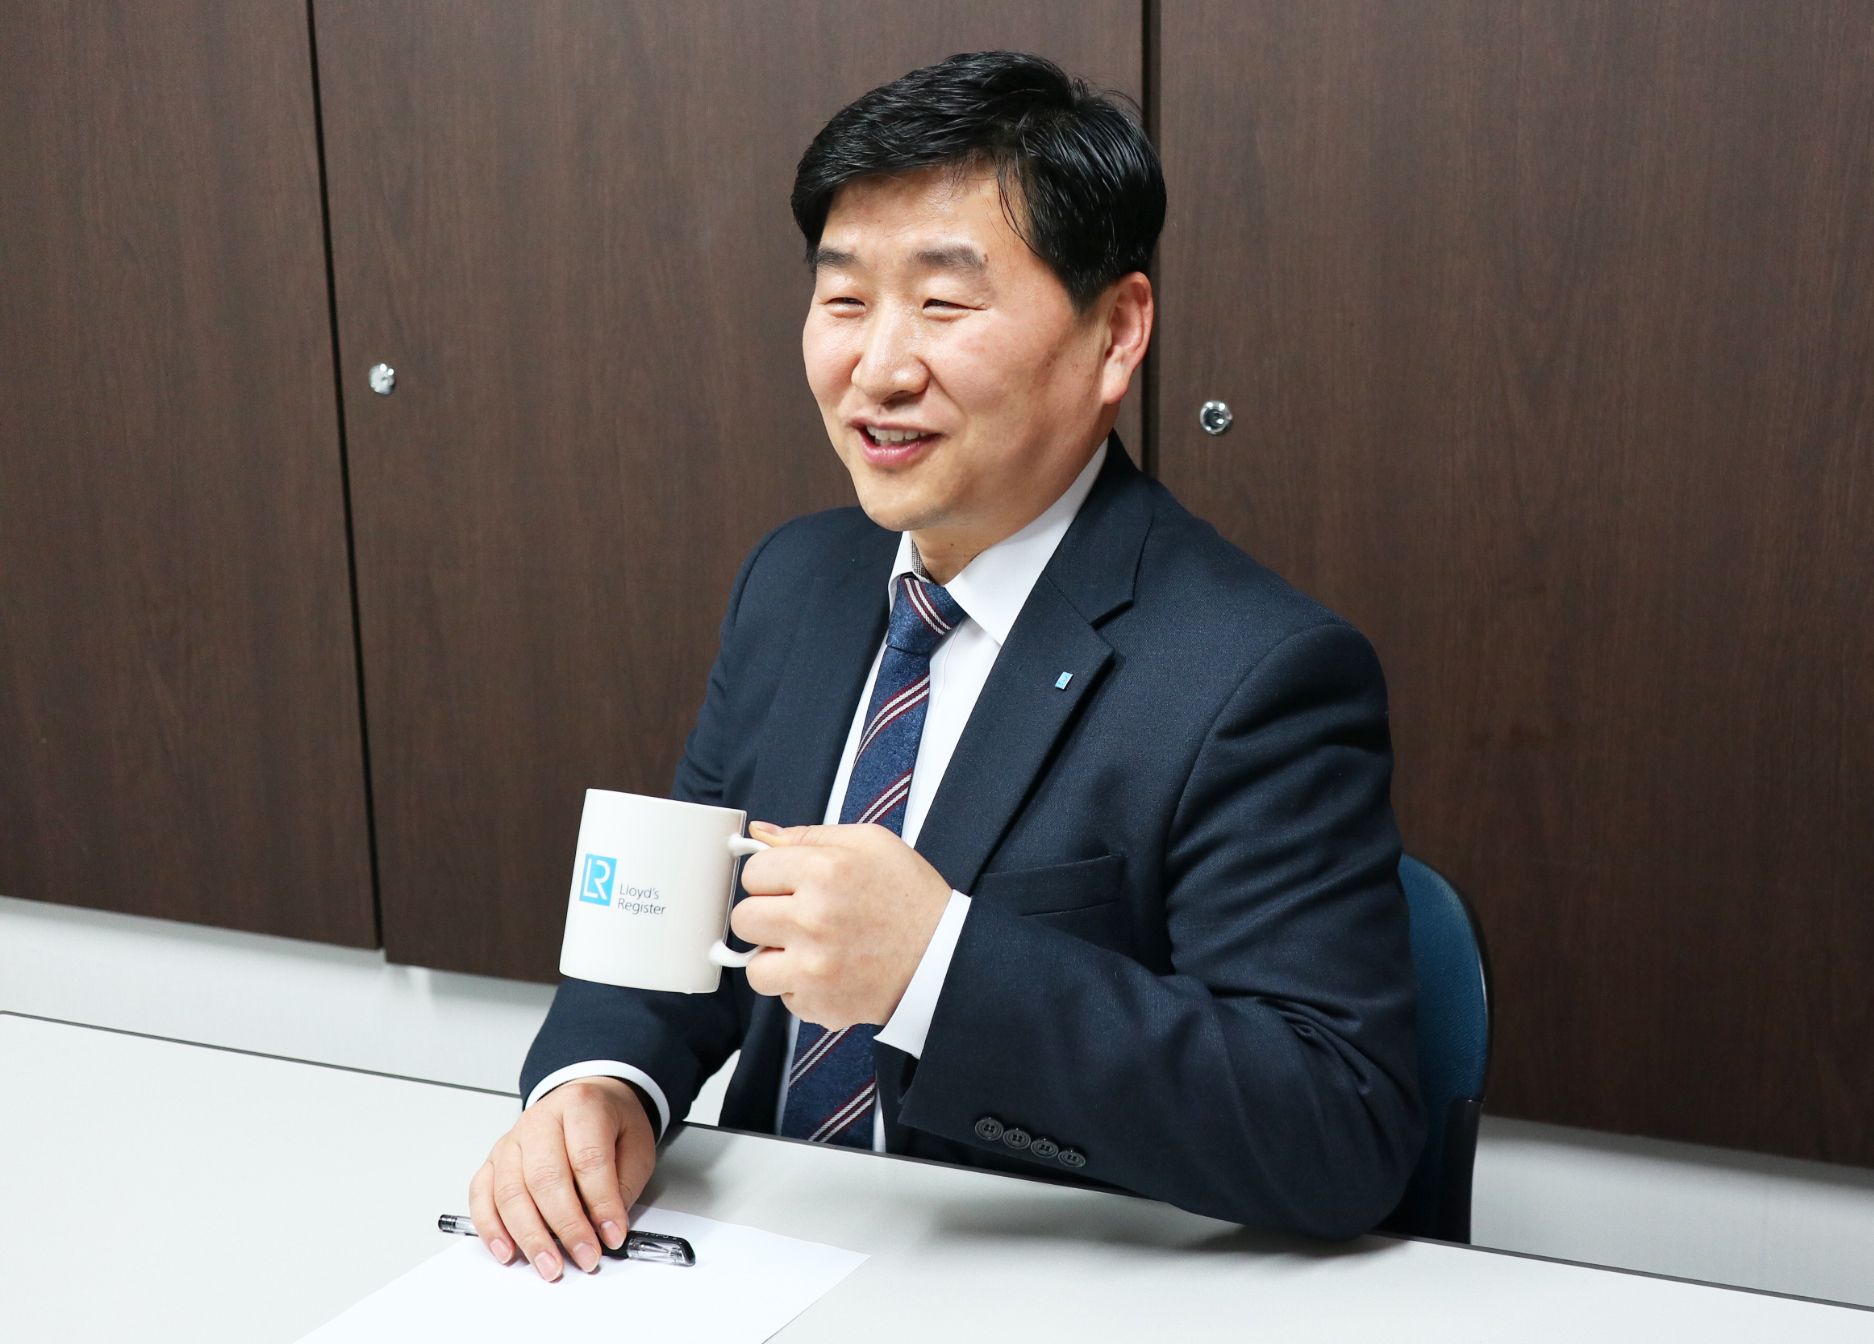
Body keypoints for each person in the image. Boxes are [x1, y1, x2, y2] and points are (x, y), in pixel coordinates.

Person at [467, 51, 1422, 1279]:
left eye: (943, 303)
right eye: (845, 299)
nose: (878, 367)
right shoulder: (796, 583)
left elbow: (1340, 1126)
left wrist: (939, 967)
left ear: (1115, 333)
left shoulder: (1258, 672)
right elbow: (678, 922)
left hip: (1030, 1288)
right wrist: (602, 1085)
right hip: (755, 1258)